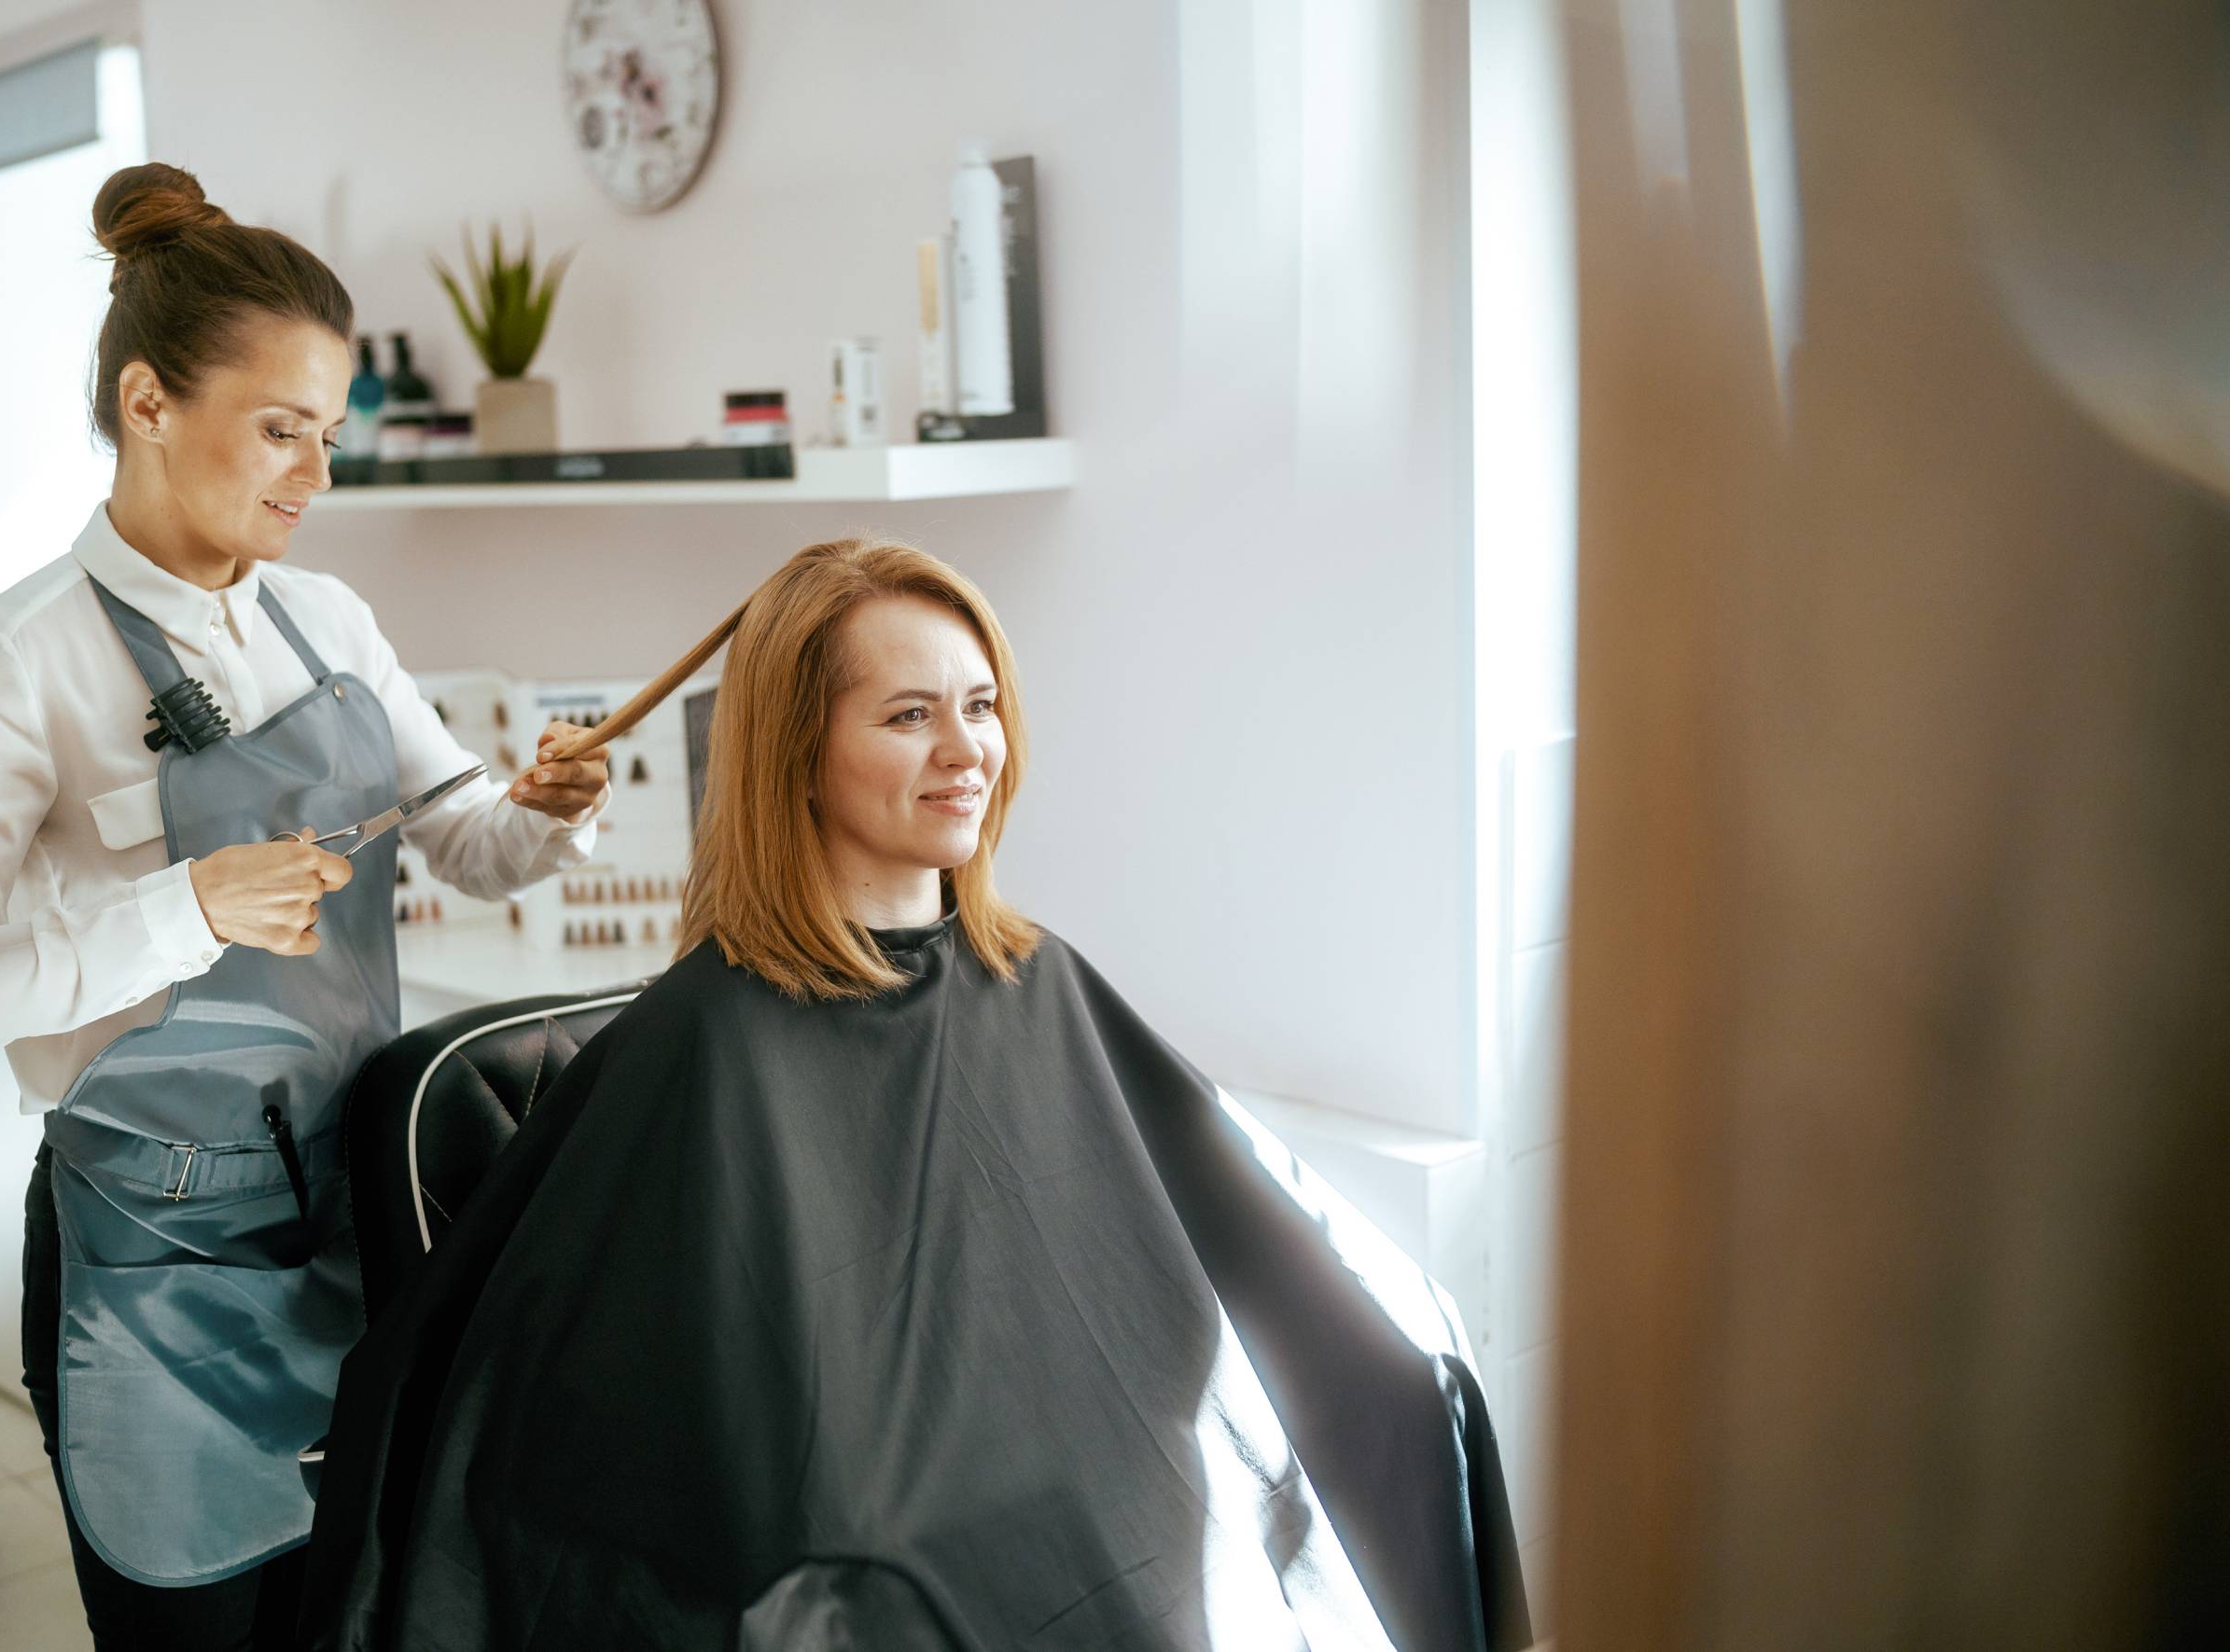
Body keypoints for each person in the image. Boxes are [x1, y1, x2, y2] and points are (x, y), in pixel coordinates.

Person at [299, 539, 1530, 1650]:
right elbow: (652, 1438)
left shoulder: (1036, 979)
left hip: (1087, 1500)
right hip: (895, 1553)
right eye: (906, 716)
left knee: (1406, 1386)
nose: (965, 752)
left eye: (982, 705)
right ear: (798, 753)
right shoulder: (711, 1046)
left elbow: (1220, 1245)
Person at [0, 162, 611, 1649]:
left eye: (327, 437)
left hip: (361, 1218)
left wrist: (539, 814)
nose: (312, 476)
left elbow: (459, 838)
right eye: (282, 430)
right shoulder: (16, 662)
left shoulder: (325, 623)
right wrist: (181, 907)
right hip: (154, 1270)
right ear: (149, 403)